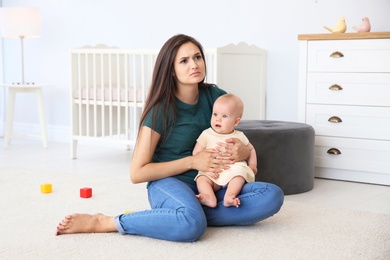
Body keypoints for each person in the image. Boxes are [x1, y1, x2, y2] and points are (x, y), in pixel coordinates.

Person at [56, 34, 284, 242]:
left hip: (214, 184)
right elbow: (137, 173)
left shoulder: (216, 96)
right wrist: (193, 162)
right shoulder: (159, 111)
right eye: (184, 61)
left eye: (197, 57)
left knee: (271, 195)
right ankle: (107, 222)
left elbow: (238, 137)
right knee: (191, 227)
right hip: (170, 183)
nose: (194, 64)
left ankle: (184, 213)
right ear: (171, 70)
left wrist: (243, 152)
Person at [194, 93, 257, 208]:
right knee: (201, 178)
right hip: (212, 172)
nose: (218, 119)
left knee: (240, 173)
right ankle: (208, 197)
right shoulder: (207, 134)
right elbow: (196, 154)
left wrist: (253, 165)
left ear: (236, 122)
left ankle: (230, 196)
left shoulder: (239, 135)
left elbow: (251, 149)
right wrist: (205, 169)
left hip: (232, 170)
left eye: (224, 116)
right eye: (215, 114)